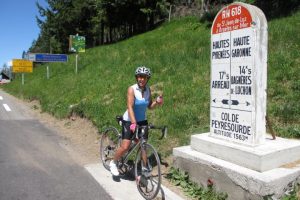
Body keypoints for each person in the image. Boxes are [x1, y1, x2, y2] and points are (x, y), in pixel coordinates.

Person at [109, 66, 163, 176]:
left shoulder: (148, 89)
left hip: (142, 120)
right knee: (125, 146)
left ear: (147, 78)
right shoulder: (132, 89)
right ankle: (113, 163)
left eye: (144, 77)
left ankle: (144, 167)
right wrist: (134, 123)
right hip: (130, 120)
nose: (141, 79)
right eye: (139, 77)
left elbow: (149, 106)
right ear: (136, 77)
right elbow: (129, 107)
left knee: (143, 144)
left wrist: (156, 102)